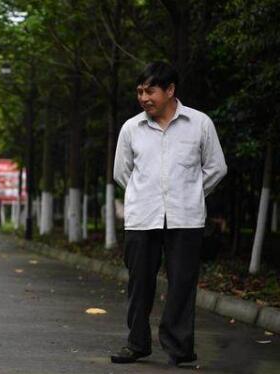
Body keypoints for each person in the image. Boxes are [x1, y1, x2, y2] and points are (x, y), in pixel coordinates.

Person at [110, 61, 227, 366]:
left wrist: (191, 192)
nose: (143, 98)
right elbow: (122, 173)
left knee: (182, 284)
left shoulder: (200, 124)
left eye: (150, 91)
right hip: (142, 217)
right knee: (139, 284)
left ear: (170, 90)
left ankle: (179, 348)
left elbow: (216, 167)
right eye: (140, 92)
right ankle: (137, 344)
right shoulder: (131, 129)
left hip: (185, 218)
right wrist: (144, 194)